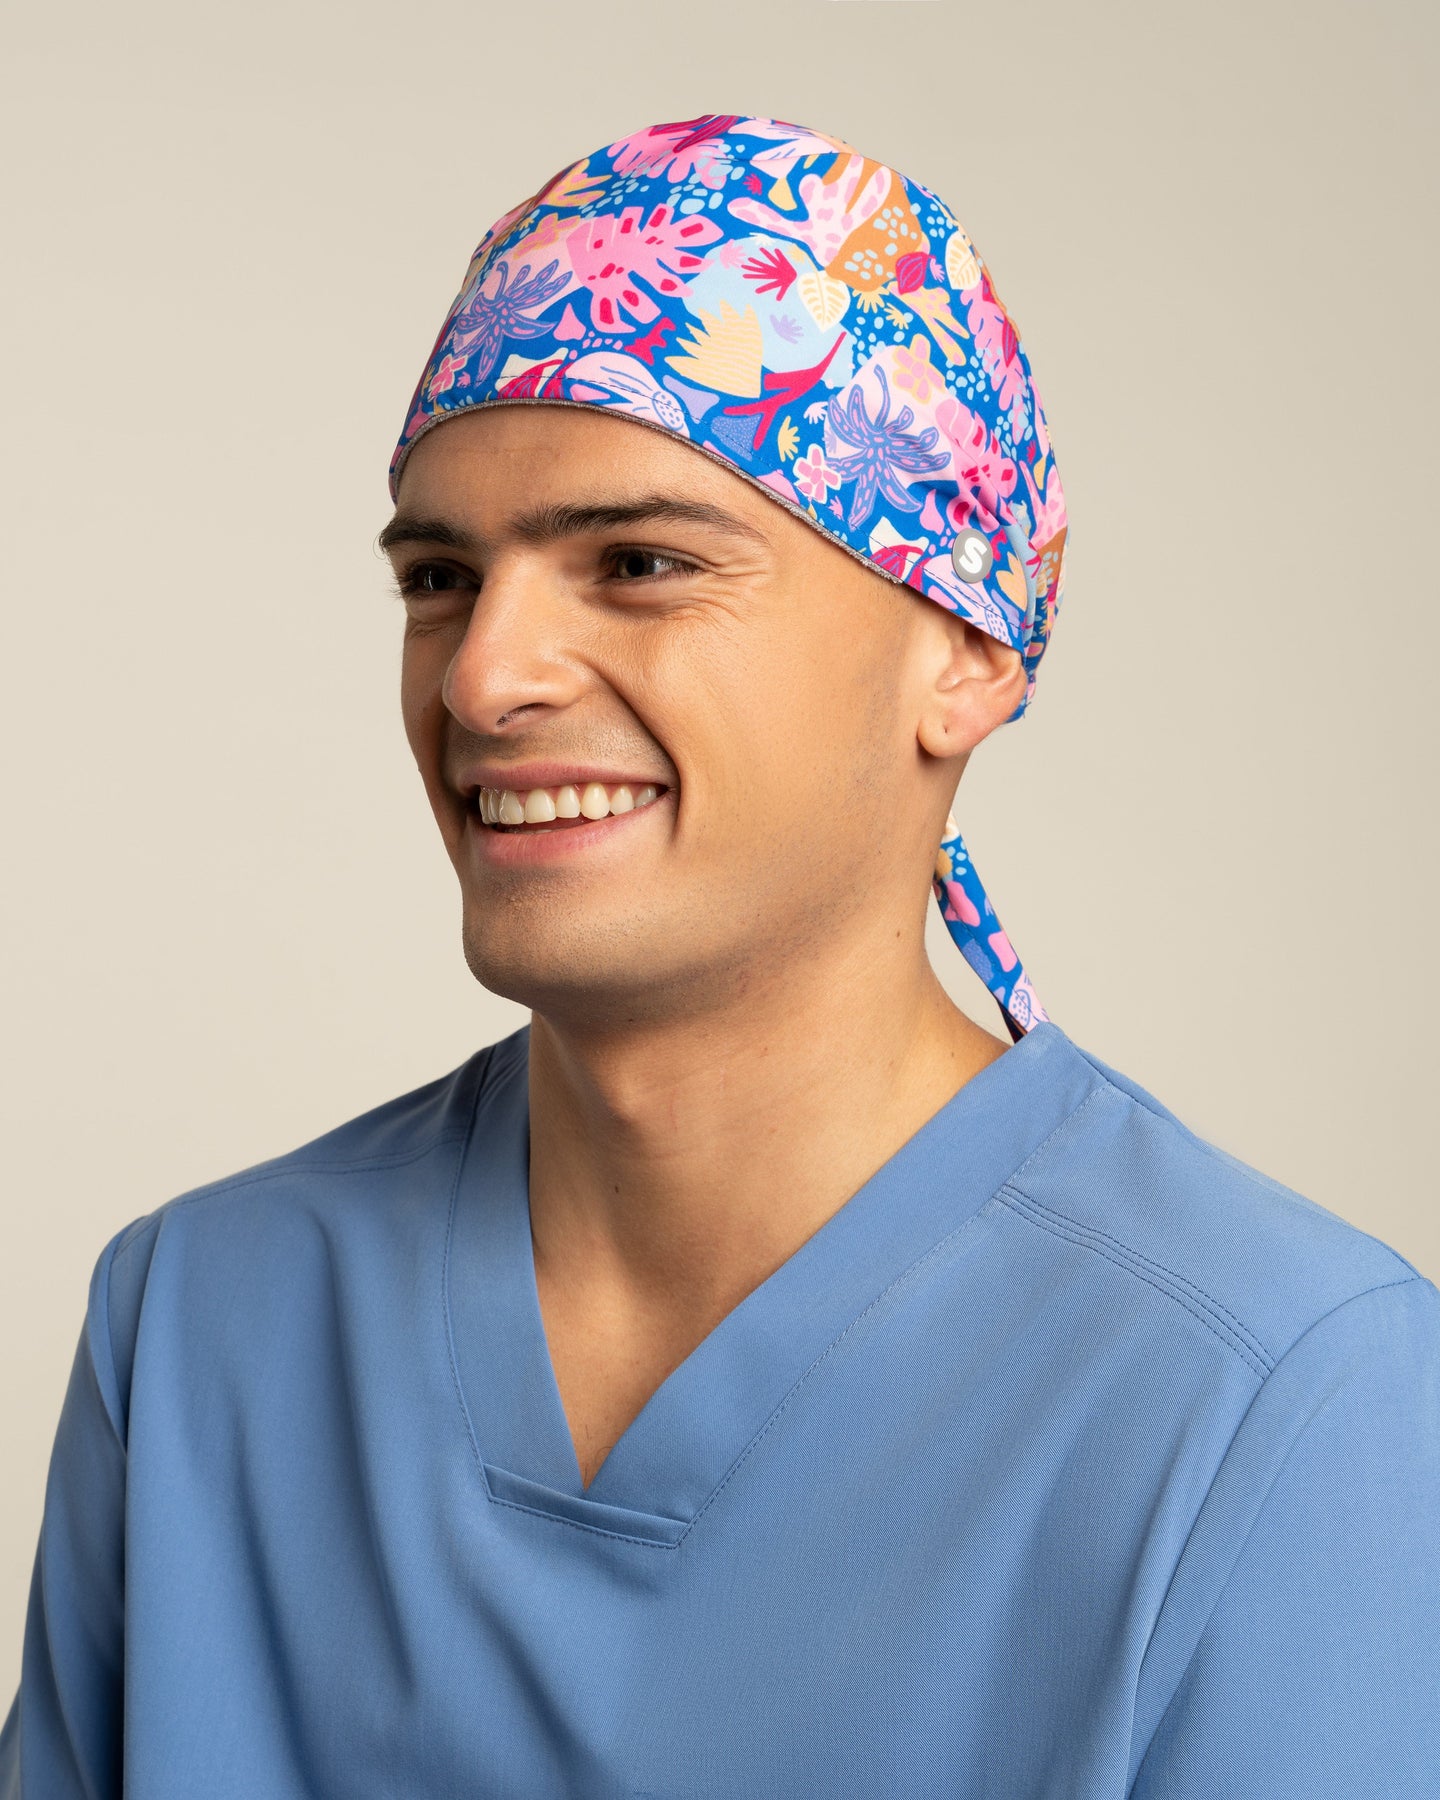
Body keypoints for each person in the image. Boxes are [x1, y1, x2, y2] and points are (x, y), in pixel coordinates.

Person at [2, 111, 1436, 1799]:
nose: (482, 678)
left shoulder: (1286, 1403)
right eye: (441, 577)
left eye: (641, 565)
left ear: (966, 649)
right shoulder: (197, 1327)